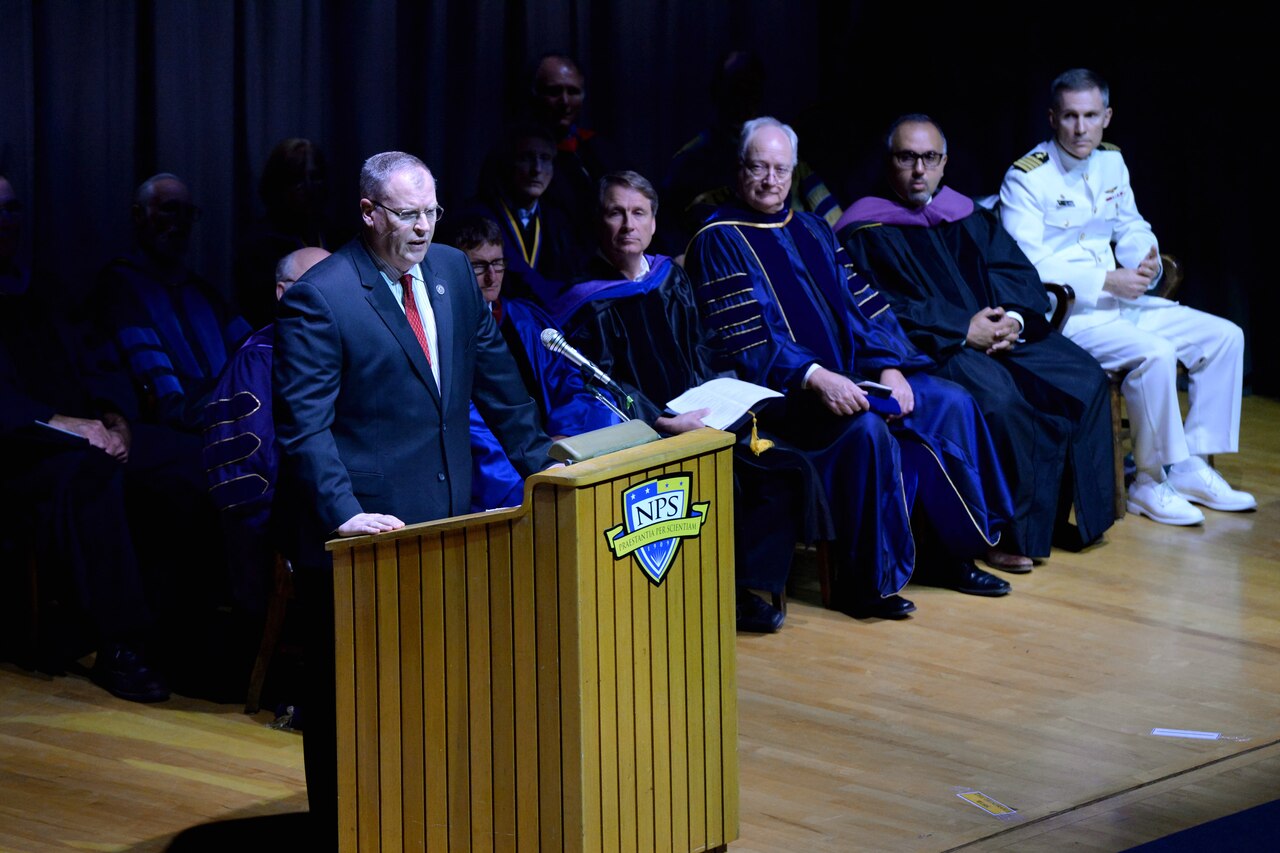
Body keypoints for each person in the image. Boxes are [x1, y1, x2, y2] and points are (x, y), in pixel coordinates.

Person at [272, 151, 554, 843]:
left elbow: (496, 379)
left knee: (440, 691)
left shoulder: (456, 273)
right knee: (352, 706)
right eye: (408, 213)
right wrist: (344, 513)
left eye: (432, 211)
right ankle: (346, 833)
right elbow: (303, 426)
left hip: (446, 524)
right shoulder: (324, 295)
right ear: (368, 212)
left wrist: (545, 464)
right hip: (363, 535)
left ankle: (433, 821)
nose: (425, 226)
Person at [685, 119, 1016, 619]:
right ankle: (862, 583)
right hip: (784, 400)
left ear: (794, 173)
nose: (771, 180)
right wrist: (815, 376)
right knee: (863, 430)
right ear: (739, 170)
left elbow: (865, 305)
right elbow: (747, 340)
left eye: (781, 169)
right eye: (759, 167)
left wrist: (889, 367)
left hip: (850, 378)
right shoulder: (718, 240)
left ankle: (950, 555)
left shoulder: (813, 227)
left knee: (950, 400)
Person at [550, 170, 834, 632]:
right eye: (615, 212)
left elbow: (706, 346)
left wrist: (728, 397)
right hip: (650, 434)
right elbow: (598, 387)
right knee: (731, 479)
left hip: (706, 418)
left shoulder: (671, 278)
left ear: (654, 222)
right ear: (598, 221)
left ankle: (747, 585)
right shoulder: (582, 302)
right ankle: (727, 594)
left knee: (784, 466)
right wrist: (664, 423)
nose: (628, 224)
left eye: (638, 213)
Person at [839, 115, 1114, 562]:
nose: (919, 170)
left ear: (944, 163)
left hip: (1002, 334)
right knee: (1001, 402)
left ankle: (1075, 517)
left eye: (929, 158)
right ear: (889, 162)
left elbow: (1017, 273)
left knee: (1084, 376)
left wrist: (1015, 321)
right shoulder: (864, 230)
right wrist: (962, 329)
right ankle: (1001, 534)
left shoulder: (965, 213)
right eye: (907, 157)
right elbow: (880, 305)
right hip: (933, 345)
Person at [999, 69, 1254, 525]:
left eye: (1091, 116)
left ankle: (1190, 463)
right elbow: (1026, 267)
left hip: (1122, 303)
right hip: (1068, 316)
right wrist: (1103, 279)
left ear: (1107, 117)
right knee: (1156, 354)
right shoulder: (1026, 178)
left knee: (1225, 337)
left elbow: (1130, 224)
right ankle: (1149, 482)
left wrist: (1144, 258)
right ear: (1052, 117)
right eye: (1071, 116)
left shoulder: (1111, 162)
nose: (1081, 129)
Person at [0, 174, 168, 703]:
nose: (6, 221)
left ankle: (194, 626)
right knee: (91, 475)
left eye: (12, 208)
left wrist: (115, 418)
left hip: (85, 432)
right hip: (16, 451)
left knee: (183, 460)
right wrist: (67, 425)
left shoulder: (45, 287)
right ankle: (119, 643)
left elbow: (98, 360)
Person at [447, 215, 618, 512]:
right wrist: (535, 456)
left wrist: (563, 439)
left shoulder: (524, 320)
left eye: (498, 263)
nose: (492, 277)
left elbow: (570, 381)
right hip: (502, 474)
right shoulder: (447, 333)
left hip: (555, 453)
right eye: (478, 266)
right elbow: (466, 421)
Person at [203, 247, 330, 617]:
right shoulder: (258, 359)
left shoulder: (349, 351)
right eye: (317, 286)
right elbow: (249, 473)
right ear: (283, 293)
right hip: (288, 530)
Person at [461, 123, 589, 304]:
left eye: (545, 158)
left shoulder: (560, 220)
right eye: (526, 158)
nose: (536, 169)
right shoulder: (477, 216)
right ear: (509, 163)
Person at [233, 138, 339, 329]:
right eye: (297, 179)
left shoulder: (337, 234)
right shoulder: (259, 244)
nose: (308, 187)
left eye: (315, 177)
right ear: (278, 185)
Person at [529, 53, 612, 244]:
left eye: (573, 92)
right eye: (554, 91)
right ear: (536, 94)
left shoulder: (599, 150)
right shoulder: (516, 155)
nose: (565, 102)